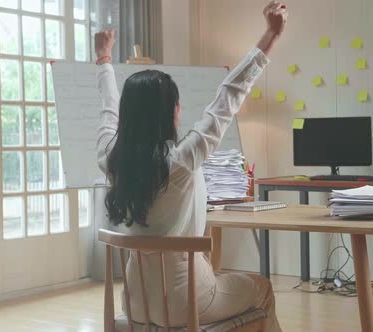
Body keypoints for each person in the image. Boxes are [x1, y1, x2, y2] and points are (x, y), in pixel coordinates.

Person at [95, 1, 287, 330]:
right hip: (190, 302)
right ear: (172, 111)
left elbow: (108, 111)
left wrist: (104, 60)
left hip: (136, 303)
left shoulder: (110, 158)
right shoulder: (182, 161)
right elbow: (230, 94)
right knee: (263, 288)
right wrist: (271, 34)